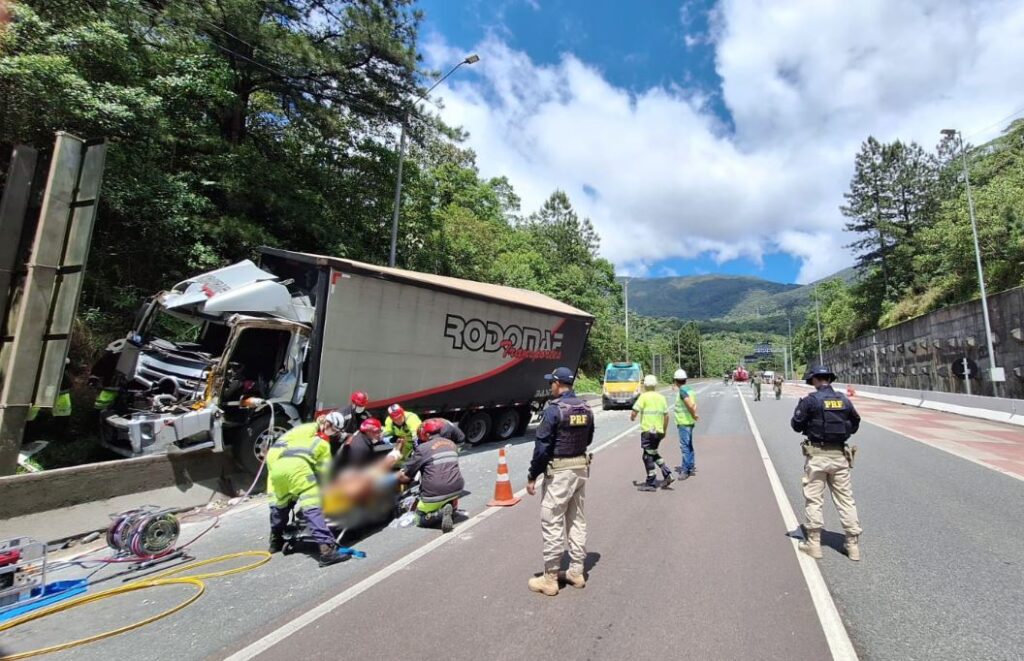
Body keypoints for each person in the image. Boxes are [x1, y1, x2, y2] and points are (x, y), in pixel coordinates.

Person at [526, 366, 594, 596]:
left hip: (559, 474)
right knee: (576, 520)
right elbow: (589, 437)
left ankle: (550, 578)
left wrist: (532, 475)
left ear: (558, 384)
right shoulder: (586, 407)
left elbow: (542, 447)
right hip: (581, 470)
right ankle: (576, 571)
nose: (550, 387)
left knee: (552, 521)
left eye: (551, 383)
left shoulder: (554, 410)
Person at [791, 366, 863, 562]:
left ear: (814, 380)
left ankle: (814, 544)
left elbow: (796, 425)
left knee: (814, 499)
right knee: (846, 500)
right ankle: (853, 546)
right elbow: (855, 422)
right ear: (829, 379)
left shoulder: (810, 401)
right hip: (840, 455)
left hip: (817, 456)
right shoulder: (843, 399)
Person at [267, 412, 348, 567]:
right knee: (312, 507)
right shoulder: (323, 444)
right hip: (298, 469)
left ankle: (275, 540)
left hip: (278, 467)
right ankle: (327, 552)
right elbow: (324, 473)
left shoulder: (303, 434)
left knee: (280, 504)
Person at [398, 418, 466, 533]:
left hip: (435, 492)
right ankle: (451, 508)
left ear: (427, 434)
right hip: (457, 488)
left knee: (419, 518)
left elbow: (408, 474)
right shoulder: (452, 444)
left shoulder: (422, 448)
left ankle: (438, 514)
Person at [631, 374, 673, 491]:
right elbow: (666, 416)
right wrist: (664, 431)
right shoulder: (661, 398)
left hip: (647, 431)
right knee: (653, 453)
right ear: (656, 385)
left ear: (644, 385)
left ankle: (651, 482)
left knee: (647, 456)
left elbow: (634, 411)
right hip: (658, 431)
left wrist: (632, 417)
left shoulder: (643, 397)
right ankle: (667, 474)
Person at [672, 369, 699, 479]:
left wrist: (693, 414)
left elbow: (690, 405)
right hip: (689, 422)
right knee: (689, 445)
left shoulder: (682, 392)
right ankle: (691, 465)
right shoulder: (689, 390)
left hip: (684, 422)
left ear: (676, 381)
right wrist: (694, 414)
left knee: (684, 447)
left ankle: (685, 470)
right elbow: (694, 405)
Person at [330, 391, 372, 455]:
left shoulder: (366, 415)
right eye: (360, 406)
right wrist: (348, 436)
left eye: (363, 406)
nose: (361, 408)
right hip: (338, 447)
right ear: (353, 403)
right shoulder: (342, 414)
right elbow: (333, 433)